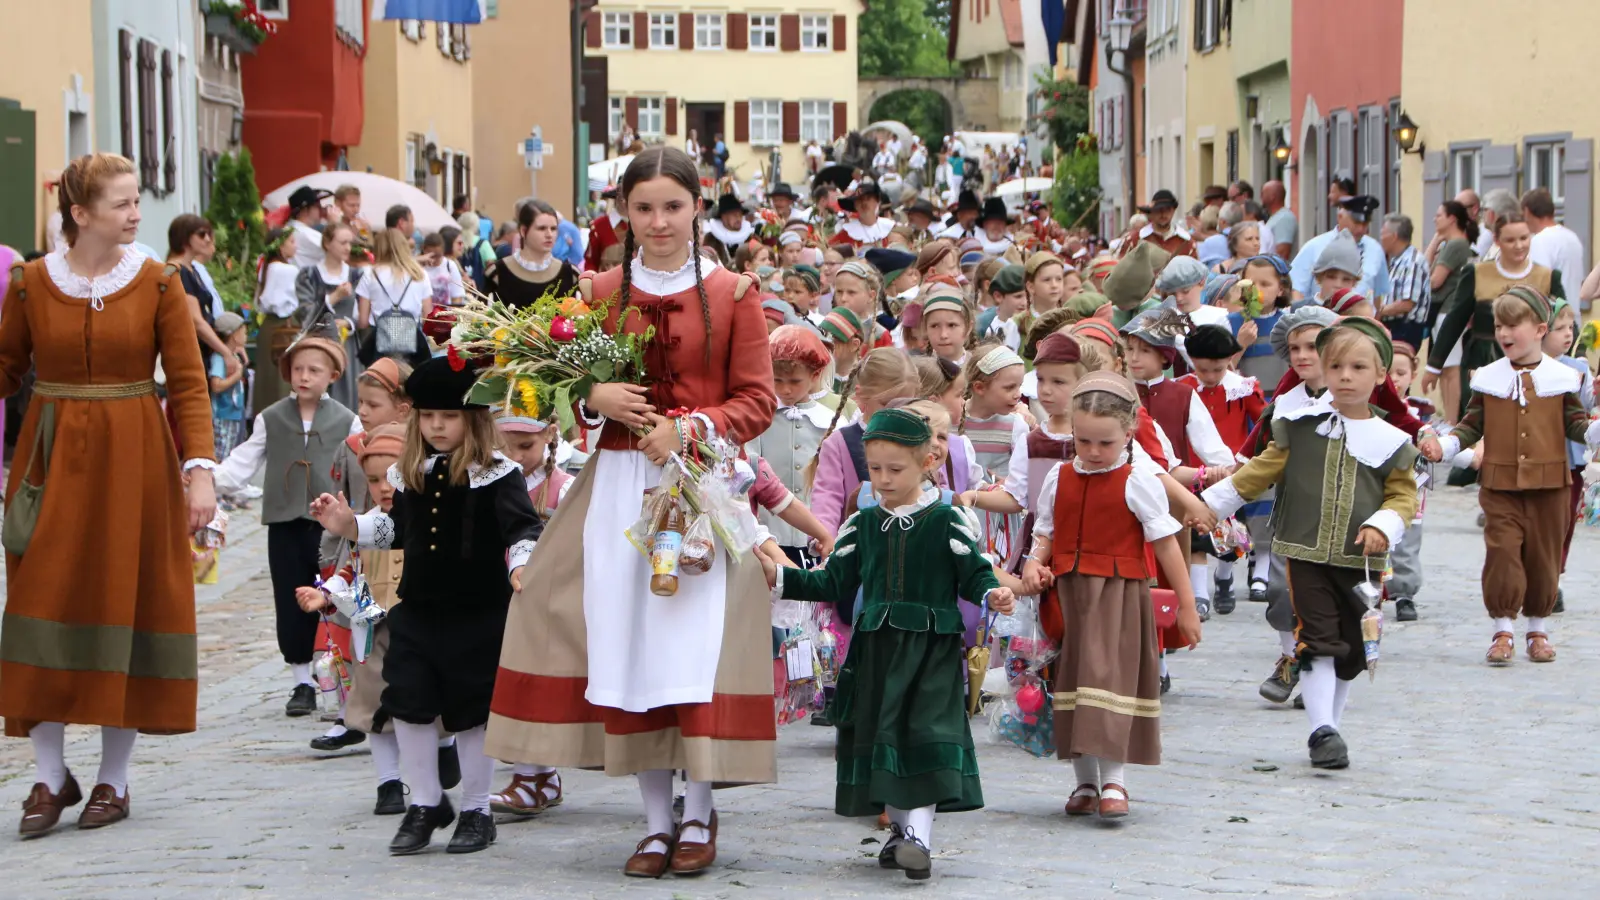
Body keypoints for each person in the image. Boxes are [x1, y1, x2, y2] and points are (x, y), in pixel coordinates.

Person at [484, 147, 780, 878]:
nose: (658, 222)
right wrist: (594, 397)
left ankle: (701, 813)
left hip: (697, 489)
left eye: (672, 207)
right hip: (617, 483)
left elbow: (758, 399)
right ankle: (653, 822)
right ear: (624, 212)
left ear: (696, 208)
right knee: (629, 646)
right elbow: (538, 390)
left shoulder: (734, 292)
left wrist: (694, 426)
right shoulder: (599, 291)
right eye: (643, 208)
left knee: (689, 649)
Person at [2, 152, 216, 838]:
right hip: (49, 457)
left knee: (126, 598)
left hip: (136, 460)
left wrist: (201, 470)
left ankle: (113, 782)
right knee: (41, 599)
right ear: (80, 214)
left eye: (135, 202)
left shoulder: (157, 283)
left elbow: (186, 383)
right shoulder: (31, 284)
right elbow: (6, 369)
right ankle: (48, 775)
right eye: (123, 203)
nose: (136, 214)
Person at [767, 407, 1014, 880]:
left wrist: (992, 592)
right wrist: (777, 575)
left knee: (923, 733)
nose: (882, 479)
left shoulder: (948, 520)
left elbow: (975, 574)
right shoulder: (862, 525)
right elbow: (831, 581)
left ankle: (918, 837)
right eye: (874, 469)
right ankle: (901, 834)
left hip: (932, 653)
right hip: (876, 651)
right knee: (885, 735)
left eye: (894, 469)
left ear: (928, 463)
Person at [311, 357, 542, 856]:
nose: (438, 426)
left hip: (477, 611)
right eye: (429, 416)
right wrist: (350, 525)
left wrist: (520, 564)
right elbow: (397, 531)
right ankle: (427, 802)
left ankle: (477, 810)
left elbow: (523, 528)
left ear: (474, 419)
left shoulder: (496, 474)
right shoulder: (409, 472)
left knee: (470, 710)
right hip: (417, 607)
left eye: (450, 416)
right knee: (409, 704)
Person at [1207, 319, 1417, 769]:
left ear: (1380, 375)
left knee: (1351, 651)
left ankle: (1331, 728)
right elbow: (1260, 470)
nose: (1345, 376)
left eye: (1358, 367)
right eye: (1336, 365)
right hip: (1303, 553)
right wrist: (1208, 504)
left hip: (1361, 563)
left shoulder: (1393, 441)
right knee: (1318, 641)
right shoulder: (1298, 424)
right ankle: (1323, 731)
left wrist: (1383, 523)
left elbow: (1403, 495)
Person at [1022, 370, 1199, 817]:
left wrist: (1187, 606)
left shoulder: (1138, 480)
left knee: (1108, 682)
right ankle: (1084, 782)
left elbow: (1166, 545)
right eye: (1084, 441)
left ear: (1129, 432)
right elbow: (1045, 530)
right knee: (1073, 684)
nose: (1094, 452)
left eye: (1106, 442)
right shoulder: (1060, 477)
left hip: (1118, 597)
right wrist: (1034, 561)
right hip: (1068, 597)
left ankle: (1115, 782)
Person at [1432, 288, 1590, 666]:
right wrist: (1448, 445)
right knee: (1502, 554)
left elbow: (1575, 423)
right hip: (1500, 485)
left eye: (1512, 325)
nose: (1504, 333)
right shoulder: (1488, 378)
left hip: (1551, 486)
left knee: (1544, 558)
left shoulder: (1562, 378)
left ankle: (1537, 629)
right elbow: (1472, 424)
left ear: (1538, 329)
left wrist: (1594, 432)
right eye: (1499, 325)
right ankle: (1503, 628)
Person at [214, 334, 356, 716]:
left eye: (314, 370)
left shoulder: (346, 419)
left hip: (331, 526)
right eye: (298, 369)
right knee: (290, 598)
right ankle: (301, 682)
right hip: (285, 524)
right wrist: (210, 478)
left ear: (333, 375)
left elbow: (360, 464)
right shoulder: (271, 417)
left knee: (334, 595)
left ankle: (342, 675)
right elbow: (246, 458)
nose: (304, 377)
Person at [296, 423, 430, 816]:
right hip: (373, 633)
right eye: (373, 480)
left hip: (423, 629)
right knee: (375, 708)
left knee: (429, 702)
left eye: (393, 477)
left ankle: (444, 751)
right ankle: (388, 781)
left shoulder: (426, 518)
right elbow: (350, 572)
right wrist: (325, 594)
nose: (384, 488)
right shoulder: (362, 524)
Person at [484, 410, 570, 818]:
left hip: (541, 601)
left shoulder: (563, 488)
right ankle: (534, 774)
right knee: (507, 686)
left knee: (532, 686)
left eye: (525, 446)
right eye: (503, 447)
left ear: (550, 436)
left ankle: (535, 775)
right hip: (494, 596)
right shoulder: (487, 481)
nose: (514, 457)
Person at [1421, 213, 1564, 416]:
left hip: (1531, 361)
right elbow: (1455, 320)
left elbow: (1563, 320)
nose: (1519, 245)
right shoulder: (1477, 273)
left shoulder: (1547, 277)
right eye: (1510, 240)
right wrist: (1434, 366)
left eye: (1524, 238)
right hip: (1483, 357)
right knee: (1480, 421)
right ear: (1497, 240)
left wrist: (1575, 357)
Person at [295, 221, 365, 409]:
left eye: (350, 243)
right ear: (327, 243)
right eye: (343, 243)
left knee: (349, 399)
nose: (348, 248)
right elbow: (306, 315)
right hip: (318, 344)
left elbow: (365, 314)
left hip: (347, 346)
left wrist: (349, 323)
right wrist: (334, 297)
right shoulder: (309, 274)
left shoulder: (356, 275)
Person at [1423, 201, 1480, 422]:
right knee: (1447, 368)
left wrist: (1422, 285)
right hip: (1448, 311)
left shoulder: (1455, 245)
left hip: (1448, 310)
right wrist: (1436, 239)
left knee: (1450, 369)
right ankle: (1450, 419)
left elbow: (1434, 281)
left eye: (1439, 215)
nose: (1435, 219)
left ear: (1452, 219)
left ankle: (1452, 420)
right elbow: (1424, 266)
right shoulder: (1452, 244)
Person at [164, 214, 234, 379]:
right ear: (185, 237)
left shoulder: (190, 269)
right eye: (202, 234)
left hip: (198, 352)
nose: (208, 239)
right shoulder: (178, 271)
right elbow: (196, 322)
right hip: (186, 355)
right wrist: (225, 352)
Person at [1290, 195, 1390, 304]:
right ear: (1340, 216)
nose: (1361, 229)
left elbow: (1378, 297)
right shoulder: (1314, 247)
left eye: (1365, 224)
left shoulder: (1375, 249)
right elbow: (1296, 291)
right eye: (1356, 223)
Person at [356, 228, 433, 369]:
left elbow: (362, 322)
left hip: (380, 341)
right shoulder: (419, 274)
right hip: (412, 341)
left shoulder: (370, 274)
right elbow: (428, 316)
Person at [489, 200, 581, 309]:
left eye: (553, 229)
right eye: (541, 228)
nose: (549, 234)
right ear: (523, 231)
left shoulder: (570, 275)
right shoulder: (497, 273)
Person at [252, 227, 302, 416]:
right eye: (291, 242)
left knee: (267, 377)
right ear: (281, 246)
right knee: (283, 378)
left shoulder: (265, 266)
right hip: (285, 327)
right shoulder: (287, 270)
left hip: (268, 327)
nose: (295, 246)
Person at [1522, 188, 1585, 306]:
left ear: (1527, 212)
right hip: (1573, 315)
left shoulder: (1540, 240)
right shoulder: (1572, 237)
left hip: (1553, 316)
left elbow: (1539, 286)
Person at [1377, 213, 1431, 349]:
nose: (1380, 238)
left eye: (1383, 234)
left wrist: (1379, 311)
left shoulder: (1412, 262)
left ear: (1394, 236)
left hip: (1405, 329)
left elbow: (1406, 304)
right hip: (1394, 326)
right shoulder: (1398, 261)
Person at [208, 312, 251, 463]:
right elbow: (216, 385)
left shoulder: (233, 356)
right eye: (244, 332)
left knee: (231, 452)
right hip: (223, 414)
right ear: (233, 335)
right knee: (222, 453)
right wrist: (237, 376)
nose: (246, 335)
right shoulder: (220, 358)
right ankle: (217, 483)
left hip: (234, 413)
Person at [831, 179, 894, 251]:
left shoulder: (890, 228)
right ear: (855, 206)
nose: (864, 203)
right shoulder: (847, 233)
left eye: (868, 198)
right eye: (859, 200)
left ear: (877, 201)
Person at [420, 230, 467, 310]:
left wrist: (453, 317)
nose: (434, 260)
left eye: (438, 256)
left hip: (445, 316)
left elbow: (457, 296)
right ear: (424, 249)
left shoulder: (450, 266)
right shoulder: (418, 267)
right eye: (431, 256)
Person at [287, 185, 330, 269]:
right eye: (317, 207)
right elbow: (338, 250)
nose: (322, 210)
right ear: (305, 210)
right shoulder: (305, 233)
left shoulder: (291, 228)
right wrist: (336, 223)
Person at [455, 212, 498, 293]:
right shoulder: (482, 244)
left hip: (458, 289)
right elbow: (491, 267)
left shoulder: (456, 242)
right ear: (476, 226)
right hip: (479, 292)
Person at [705, 193, 754, 262]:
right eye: (734, 214)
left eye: (740, 214)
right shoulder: (711, 240)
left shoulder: (750, 238)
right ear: (723, 217)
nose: (738, 217)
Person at [1198, 202, 1242, 269]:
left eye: (1218, 218)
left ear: (1222, 221)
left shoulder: (1210, 242)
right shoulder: (1248, 239)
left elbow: (1198, 267)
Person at [1263, 180, 1296, 260]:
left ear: (1272, 197)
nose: (1261, 196)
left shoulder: (1284, 218)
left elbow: (1282, 253)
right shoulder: (1276, 217)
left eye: (1263, 193)